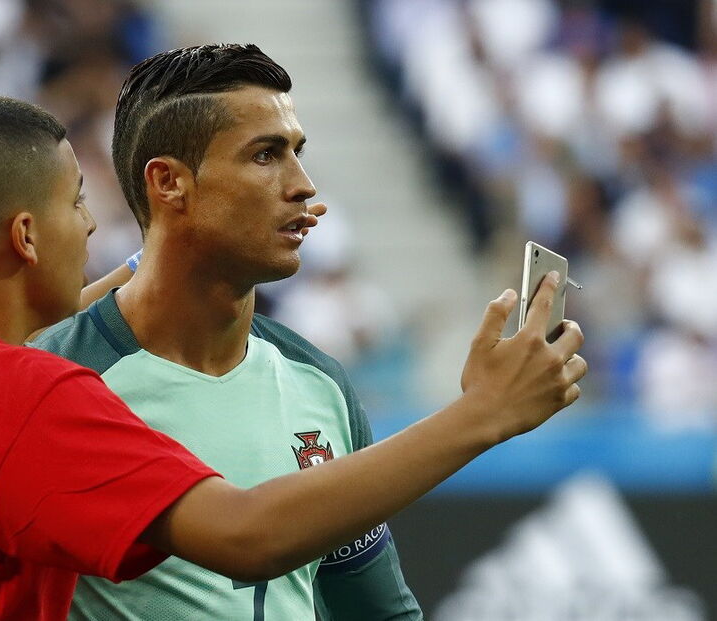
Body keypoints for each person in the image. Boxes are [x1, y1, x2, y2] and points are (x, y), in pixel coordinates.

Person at [0, 94, 585, 621]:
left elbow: (0, 345)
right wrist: (480, 415)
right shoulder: (28, 401)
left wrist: (167, 261)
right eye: (73, 203)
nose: (92, 225)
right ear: (25, 236)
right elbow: (245, 535)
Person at [31, 44, 585, 621]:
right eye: (266, 156)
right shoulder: (57, 382)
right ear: (169, 183)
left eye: (297, 152)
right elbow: (248, 537)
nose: (304, 185)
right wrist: (484, 412)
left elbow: (375, 611)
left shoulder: (318, 383)